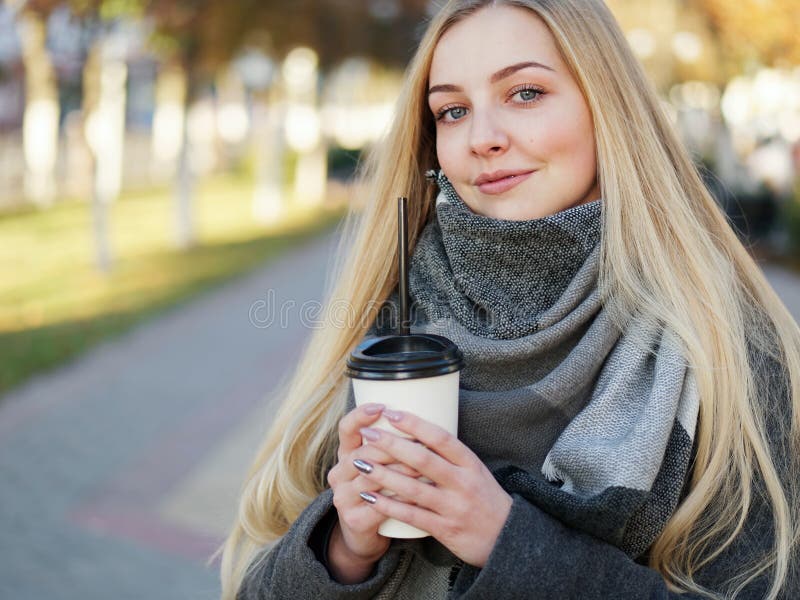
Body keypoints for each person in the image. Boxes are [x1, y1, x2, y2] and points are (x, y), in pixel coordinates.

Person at [219, 1, 800, 598]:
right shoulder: (388, 324)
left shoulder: (732, 350)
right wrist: (344, 551)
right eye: (452, 110)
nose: (483, 138)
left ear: (608, 108)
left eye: (525, 93)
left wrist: (509, 542)